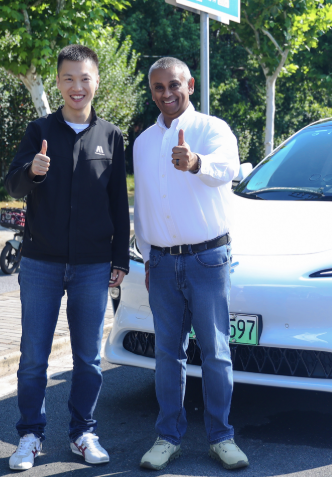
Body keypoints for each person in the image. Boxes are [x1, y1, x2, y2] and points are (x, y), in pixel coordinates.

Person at [4, 44, 130, 471]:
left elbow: (119, 204)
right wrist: (32, 171)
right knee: (33, 358)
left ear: (97, 82)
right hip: (41, 262)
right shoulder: (39, 129)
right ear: (58, 83)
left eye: (85, 78)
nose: (77, 86)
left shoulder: (111, 136)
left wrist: (119, 258)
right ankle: (30, 436)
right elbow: (13, 185)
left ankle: (83, 433)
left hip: (93, 266)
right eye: (69, 78)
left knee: (88, 359)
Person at [132, 57, 248, 471]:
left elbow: (229, 170)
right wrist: (148, 256)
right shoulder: (143, 142)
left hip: (208, 259)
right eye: (158, 87)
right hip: (163, 263)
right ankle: (168, 437)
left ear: (191, 85)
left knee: (216, 351)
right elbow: (143, 203)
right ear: (152, 92)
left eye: (174, 85)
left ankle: (221, 437)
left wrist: (196, 162)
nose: (167, 93)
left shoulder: (212, 129)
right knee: (168, 354)